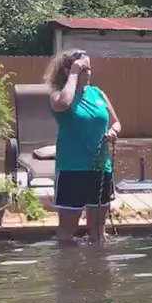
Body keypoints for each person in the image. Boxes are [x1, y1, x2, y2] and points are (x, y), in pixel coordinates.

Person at [46, 50, 122, 244]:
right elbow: (63, 104)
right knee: (66, 232)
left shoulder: (98, 94)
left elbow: (116, 123)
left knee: (98, 232)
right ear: (67, 70)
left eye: (89, 68)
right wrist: (73, 73)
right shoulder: (57, 95)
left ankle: (98, 270)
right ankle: (65, 270)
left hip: (99, 168)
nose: (88, 73)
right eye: (82, 68)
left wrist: (113, 132)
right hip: (73, 170)